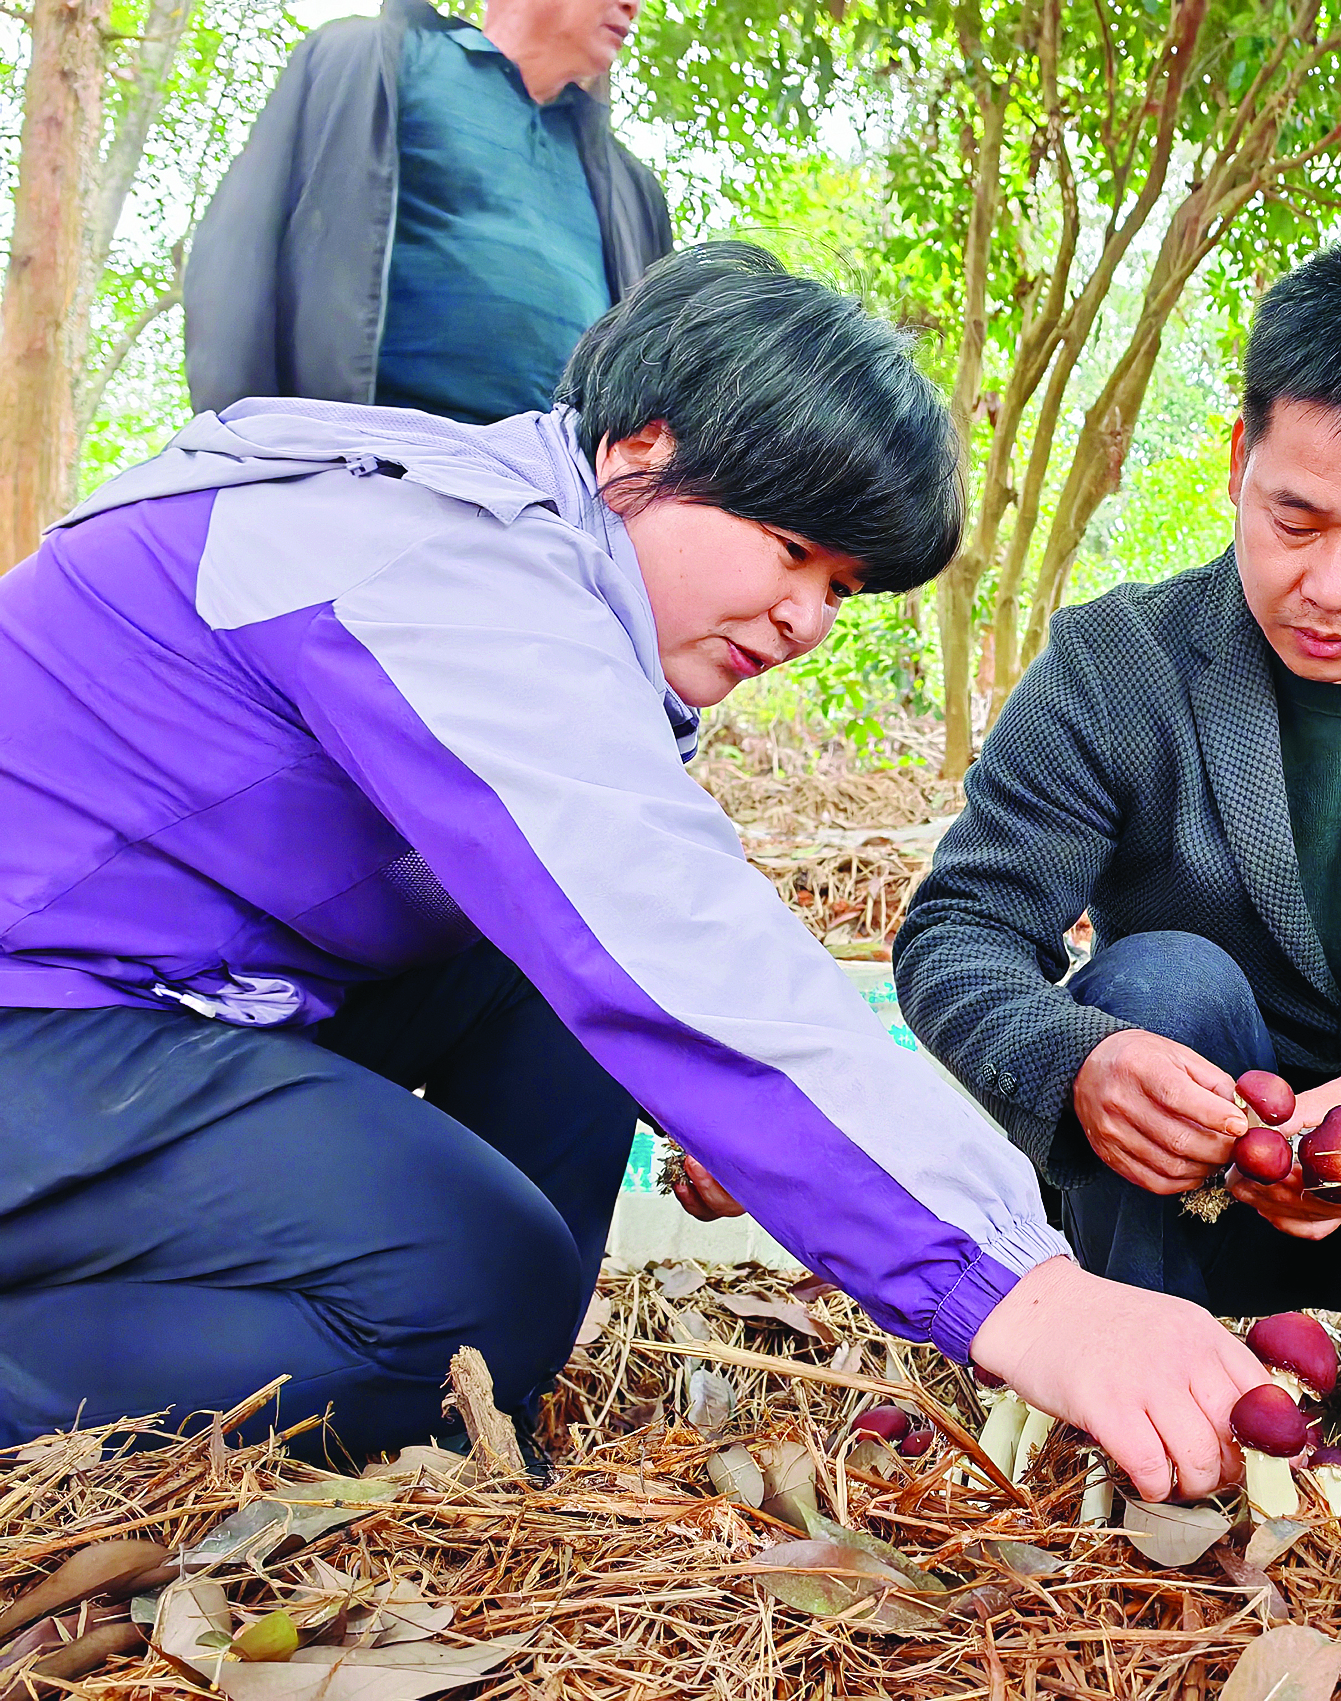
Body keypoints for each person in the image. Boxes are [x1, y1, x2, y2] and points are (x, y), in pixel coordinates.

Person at [0, 243, 1268, 1501]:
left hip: (171, 994)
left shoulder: (531, 571)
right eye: (790, 548)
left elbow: (624, 923)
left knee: (535, 1028)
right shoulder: (437, 560)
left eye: (842, 588)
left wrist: (723, 1114)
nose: (807, 620)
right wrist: (1026, 1297)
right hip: (43, 1016)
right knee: (469, 1276)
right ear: (642, 448)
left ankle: (471, 1391)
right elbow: (669, 936)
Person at [893, 241, 1341, 1405]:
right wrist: (1079, 1065)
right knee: (1158, 987)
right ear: (1240, 462)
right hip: (1182, 1189)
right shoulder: (1115, 663)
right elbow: (961, 931)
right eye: (1295, 520)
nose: (1331, 586)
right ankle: (1141, 1385)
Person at [184, 0, 669, 422]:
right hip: (360, 465)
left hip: (548, 488)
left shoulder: (632, 188)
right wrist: (241, 445)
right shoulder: (373, 59)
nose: (633, 5)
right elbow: (239, 254)